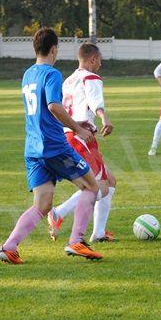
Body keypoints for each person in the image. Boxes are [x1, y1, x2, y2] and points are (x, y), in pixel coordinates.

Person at [0, 28, 103, 265]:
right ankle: (76, 240)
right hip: (54, 146)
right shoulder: (52, 74)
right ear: (54, 49)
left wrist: (76, 123)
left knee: (42, 205)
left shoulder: (28, 74)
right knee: (91, 186)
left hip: (33, 148)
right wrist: (78, 130)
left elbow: (45, 112)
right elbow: (54, 106)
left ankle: (9, 246)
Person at [47, 43, 117, 243]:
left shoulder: (68, 80)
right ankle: (58, 213)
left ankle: (99, 233)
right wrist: (104, 118)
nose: (100, 65)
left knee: (110, 181)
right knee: (99, 187)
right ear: (93, 59)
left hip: (69, 135)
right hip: (81, 136)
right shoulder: (91, 77)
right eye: (99, 60)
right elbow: (95, 102)